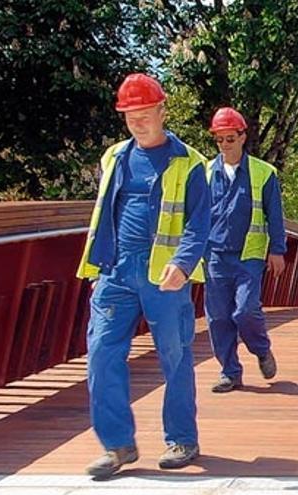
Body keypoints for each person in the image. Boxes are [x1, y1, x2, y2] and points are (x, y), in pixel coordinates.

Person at [76, 73, 210, 477]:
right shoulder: (114, 156)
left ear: (161, 111)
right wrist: (100, 266)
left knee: (175, 355)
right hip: (116, 272)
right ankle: (118, 446)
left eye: (144, 113)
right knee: (101, 353)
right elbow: (106, 213)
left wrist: (183, 263)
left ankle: (182, 438)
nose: (137, 121)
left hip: (164, 275)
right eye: (129, 114)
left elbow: (200, 222)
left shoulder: (190, 162)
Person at [204, 107, 287, 393]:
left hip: (248, 254)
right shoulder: (203, 173)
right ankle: (230, 372)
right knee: (218, 317)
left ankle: (261, 349)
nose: (225, 145)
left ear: (243, 137)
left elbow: (274, 215)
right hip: (214, 255)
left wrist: (277, 250)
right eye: (219, 140)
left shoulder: (264, 174)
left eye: (230, 138)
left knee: (245, 310)